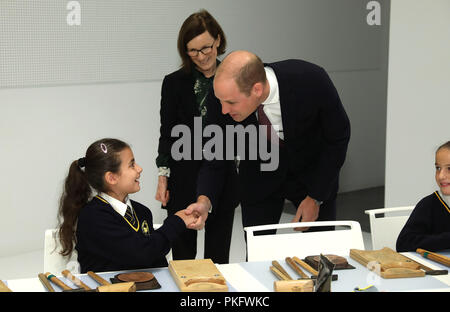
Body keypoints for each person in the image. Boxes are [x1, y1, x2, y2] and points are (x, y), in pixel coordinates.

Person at [186, 50, 350, 235]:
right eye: (221, 102)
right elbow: (215, 157)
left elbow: (338, 137)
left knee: (321, 253)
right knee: (257, 253)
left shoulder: (311, 80)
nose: (224, 110)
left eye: (231, 103)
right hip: (259, 180)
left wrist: (316, 197)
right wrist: (204, 201)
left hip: (314, 176)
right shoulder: (222, 98)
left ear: (257, 89)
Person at [155, 10, 238, 263]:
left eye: (206, 48)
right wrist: (163, 176)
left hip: (223, 176)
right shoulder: (174, 83)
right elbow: (167, 132)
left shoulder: (236, 79)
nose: (201, 57)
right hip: (183, 176)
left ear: (219, 40)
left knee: (218, 255)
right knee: (182, 255)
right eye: (193, 51)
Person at [57, 138, 197, 273]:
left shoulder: (142, 212)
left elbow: (155, 259)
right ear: (112, 178)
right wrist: (177, 221)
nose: (139, 169)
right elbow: (142, 253)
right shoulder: (93, 217)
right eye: (132, 165)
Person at [396, 141, 450, 252]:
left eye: (449, 169)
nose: (441, 176)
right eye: (438, 168)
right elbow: (403, 243)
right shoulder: (428, 205)